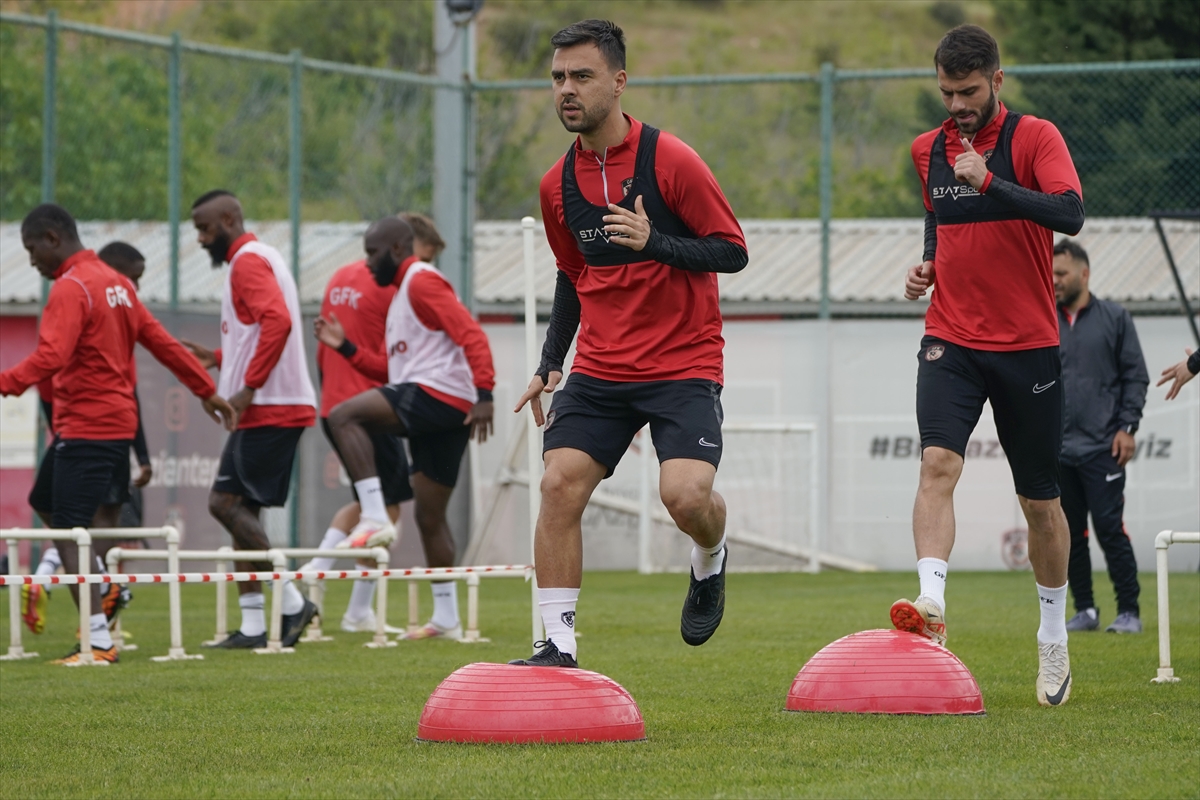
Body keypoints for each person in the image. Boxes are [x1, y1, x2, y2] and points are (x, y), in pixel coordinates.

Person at [510, 20, 748, 668]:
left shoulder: (671, 161)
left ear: (619, 81)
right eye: (558, 77)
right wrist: (550, 364)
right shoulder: (556, 186)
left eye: (581, 76)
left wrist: (656, 243)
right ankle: (557, 642)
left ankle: (711, 554)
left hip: (683, 363)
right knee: (558, 485)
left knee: (686, 498)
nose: (566, 89)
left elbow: (732, 252)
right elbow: (572, 277)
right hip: (602, 369)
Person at [899, 25, 1085, 706]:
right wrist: (929, 264)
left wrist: (993, 181)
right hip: (951, 338)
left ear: (997, 82)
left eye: (969, 92)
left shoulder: (1035, 139)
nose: (956, 105)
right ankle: (932, 604)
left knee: (1039, 502)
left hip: (1028, 346)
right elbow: (938, 219)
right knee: (937, 465)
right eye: (946, 92)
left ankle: (1051, 635)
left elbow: (1070, 212)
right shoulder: (928, 150)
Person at [0, 204, 235, 664]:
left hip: (86, 425)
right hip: (117, 425)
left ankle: (98, 642)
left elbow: (50, 357)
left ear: (52, 237)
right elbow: (163, 343)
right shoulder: (119, 286)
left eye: (31, 250)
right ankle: (105, 590)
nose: (32, 262)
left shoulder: (72, 288)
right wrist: (204, 389)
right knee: (70, 511)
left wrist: (4, 381)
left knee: (69, 532)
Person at [317, 215, 496, 640]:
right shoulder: (401, 296)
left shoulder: (421, 280)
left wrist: (485, 394)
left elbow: (471, 333)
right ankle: (448, 618)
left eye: (373, 253)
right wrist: (345, 347)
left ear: (399, 249)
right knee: (430, 516)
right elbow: (389, 368)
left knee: (344, 415)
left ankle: (374, 515)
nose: (368, 262)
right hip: (439, 403)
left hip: (439, 396)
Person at [184, 190, 319, 650]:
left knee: (223, 505)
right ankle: (255, 627)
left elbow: (277, 322)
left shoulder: (246, 261)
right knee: (243, 512)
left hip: (270, 408)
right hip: (272, 404)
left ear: (228, 219)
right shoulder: (262, 256)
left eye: (204, 228)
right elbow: (260, 329)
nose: (201, 239)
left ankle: (292, 600)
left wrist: (245, 389)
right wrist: (224, 358)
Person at [22, 242, 154, 635]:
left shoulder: (106, 309)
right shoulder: (93, 301)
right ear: (111, 274)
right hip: (91, 430)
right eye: (133, 278)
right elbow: (49, 374)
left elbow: (127, 389)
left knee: (80, 523)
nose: (135, 288)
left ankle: (85, 607)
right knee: (85, 523)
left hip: (88, 429)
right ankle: (96, 616)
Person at [1053, 239, 1149, 634]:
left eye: (1061, 274)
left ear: (1084, 274)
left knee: (1110, 530)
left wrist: (1128, 428)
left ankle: (1129, 612)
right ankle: (1086, 610)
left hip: (1103, 447)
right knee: (1069, 534)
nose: (1054, 281)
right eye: (1051, 274)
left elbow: (1136, 377)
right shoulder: (1042, 318)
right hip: (1057, 450)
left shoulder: (1115, 318)